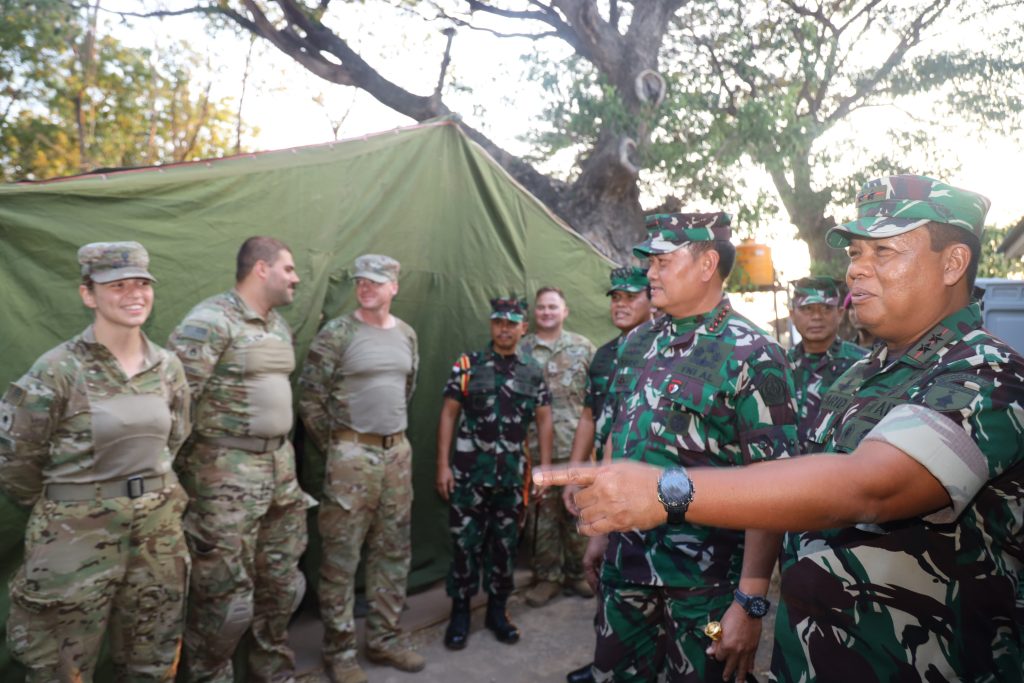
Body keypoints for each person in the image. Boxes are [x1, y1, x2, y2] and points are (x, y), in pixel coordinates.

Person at [536, 175, 1024, 681]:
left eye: (884, 252)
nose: (857, 268)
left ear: (953, 263)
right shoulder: (862, 376)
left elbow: (871, 486)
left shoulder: (985, 372)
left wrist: (668, 490)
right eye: (856, 252)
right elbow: (793, 483)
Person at [582, 212, 800, 682]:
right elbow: (620, 437)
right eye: (649, 262)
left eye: (661, 261)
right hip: (626, 566)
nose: (650, 273)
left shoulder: (753, 352)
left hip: (706, 581)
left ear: (706, 265)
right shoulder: (636, 343)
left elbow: (773, 487)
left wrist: (750, 600)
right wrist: (601, 530)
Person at [0, 242, 190, 682]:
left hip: (156, 538)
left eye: (142, 283)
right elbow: (15, 458)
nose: (134, 294)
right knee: (60, 669)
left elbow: (176, 438)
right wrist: (72, 506)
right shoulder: (59, 370)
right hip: (75, 543)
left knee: (153, 660)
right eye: (117, 285)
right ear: (88, 294)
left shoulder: (168, 368)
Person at [168, 236, 310, 683]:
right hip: (223, 485)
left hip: (281, 477)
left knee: (282, 587)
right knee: (224, 601)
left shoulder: (279, 327)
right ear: (261, 269)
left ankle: (274, 672)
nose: (296, 277)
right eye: (289, 269)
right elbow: (173, 406)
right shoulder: (210, 321)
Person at [298, 254, 421, 683]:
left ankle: (385, 638)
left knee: (393, 552)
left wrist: (387, 442)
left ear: (394, 287)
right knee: (340, 558)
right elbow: (311, 398)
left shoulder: (406, 334)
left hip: (397, 454)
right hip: (351, 457)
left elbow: (407, 389)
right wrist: (339, 446)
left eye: (376, 281)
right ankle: (339, 651)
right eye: (361, 282)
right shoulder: (337, 333)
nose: (366, 287)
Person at [435, 297, 554, 650]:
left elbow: (544, 419)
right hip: (469, 476)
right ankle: (460, 612)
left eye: (511, 322)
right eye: (498, 322)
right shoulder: (468, 365)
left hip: (511, 478)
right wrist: (442, 465)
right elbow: (448, 415)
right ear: (492, 326)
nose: (503, 328)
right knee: (464, 545)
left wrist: (545, 469)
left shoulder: (532, 370)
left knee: (504, 548)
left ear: (523, 328)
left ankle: (497, 613)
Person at [562, 265, 653, 683]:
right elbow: (588, 416)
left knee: (645, 578)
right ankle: (611, 659)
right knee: (607, 571)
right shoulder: (604, 354)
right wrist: (576, 472)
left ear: (651, 299)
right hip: (604, 478)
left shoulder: (660, 349)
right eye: (615, 297)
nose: (621, 304)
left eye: (630, 296)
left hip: (644, 484)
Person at [519, 287, 597, 607]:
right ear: (534, 313)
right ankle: (547, 577)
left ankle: (578, 573)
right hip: (534, 448)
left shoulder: (583, 348)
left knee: (578, 509)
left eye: (553, 307)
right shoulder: (522, 350)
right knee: (543, 515)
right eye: (541, 308)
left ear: (565, 311)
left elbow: (596, 399)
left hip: (575, 445)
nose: (547, 312)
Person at [786, 277, 866, 453]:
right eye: (807, 309)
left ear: (840, 313)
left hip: (842, 472)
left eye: (826, 308)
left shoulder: (864, 364)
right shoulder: (780, 364)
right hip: (788, 473)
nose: (817, 317)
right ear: (792, 314)